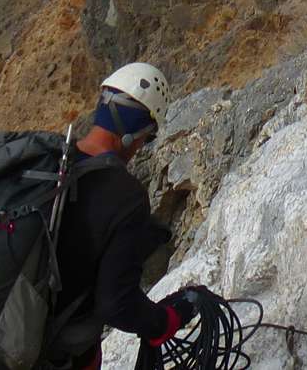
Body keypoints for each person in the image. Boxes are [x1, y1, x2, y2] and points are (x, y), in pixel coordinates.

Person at [45, 62, 198, 369]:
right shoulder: (125, 195)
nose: (142, 146)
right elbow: (117, 304)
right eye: (148, 137)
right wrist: (167, 319)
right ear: (135, 133)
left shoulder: (47, 162)